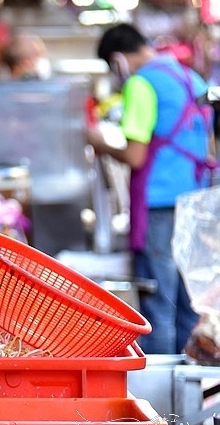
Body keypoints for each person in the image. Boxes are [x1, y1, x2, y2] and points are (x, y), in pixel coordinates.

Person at [86, 23, 214, 355]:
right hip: (195, 200)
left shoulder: (141, 84)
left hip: (159, 204)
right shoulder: (190, 77)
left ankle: (158, 389)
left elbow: (135, 154)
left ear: (117, 60)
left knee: (158, 302)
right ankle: (185, 382)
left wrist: (100, 142)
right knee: (188, 302)